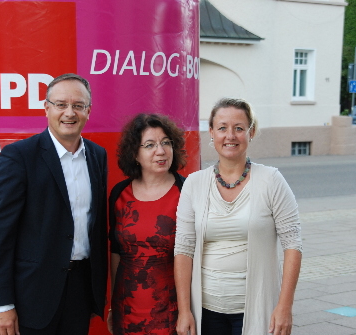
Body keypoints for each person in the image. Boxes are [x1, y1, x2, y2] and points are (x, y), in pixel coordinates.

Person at [0, 73, 108, 335]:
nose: (69, 113)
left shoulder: (98, 156)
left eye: (78, 105)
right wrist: (0, 303)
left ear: (88, 111)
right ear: (46, 108)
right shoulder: (19, 157)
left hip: (80, 290)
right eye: (61, 104)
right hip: (32, 296)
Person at [174, 98, 302, 335]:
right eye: (222, 128)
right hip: (206, 311)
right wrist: (184, 310)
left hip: (258, 309)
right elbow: (183, 249)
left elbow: (293, 245)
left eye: (239, 128)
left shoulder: (271, 180)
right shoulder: (194, 184)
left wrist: (285, 307)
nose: (230, 135)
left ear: (251, 132)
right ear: (211, 132)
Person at [107, 113, 186, 335]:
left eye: (166, 143)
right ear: (135, 154)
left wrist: (188, 311)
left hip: (172, 310)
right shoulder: (119, 195)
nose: (160, 151)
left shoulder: (187, 192)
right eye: (150, 145)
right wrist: (113, 305)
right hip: (127, 307)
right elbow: (116, 253)